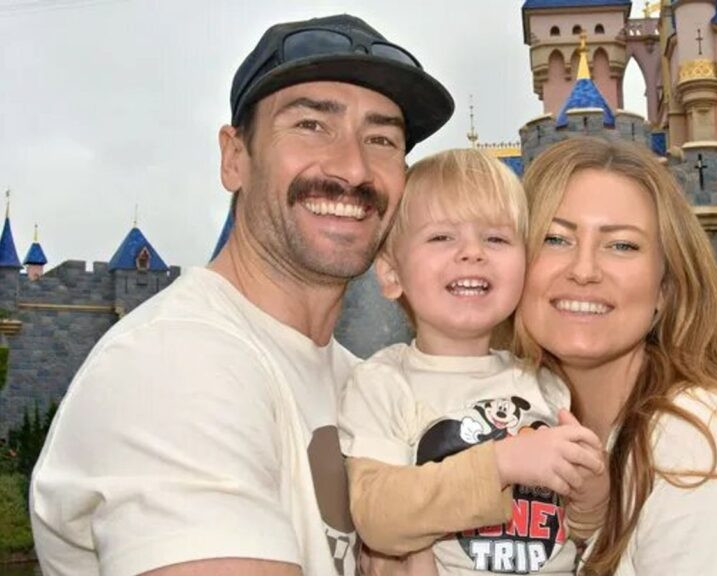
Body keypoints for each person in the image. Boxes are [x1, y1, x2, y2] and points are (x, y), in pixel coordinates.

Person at [30, 14, 454, 576]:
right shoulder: (172, 365)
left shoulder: (363, 382)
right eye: (310, 125)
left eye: (381, 139)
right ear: (235, 157)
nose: (353, 168)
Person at [513, 137, 717, 574]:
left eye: (622, 246)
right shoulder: (510, 418)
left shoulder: (699, 433)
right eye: (555, 238)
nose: (583, 270)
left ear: (665, 291)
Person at [337, 148, 607, 575]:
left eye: (496, 239)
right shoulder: (383, 383)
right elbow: (377, 517)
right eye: (442, 237)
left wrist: (591, 494)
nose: (472, 253)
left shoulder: (545, 383)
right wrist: (502, 464)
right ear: (391, 275)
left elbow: (579, 532)